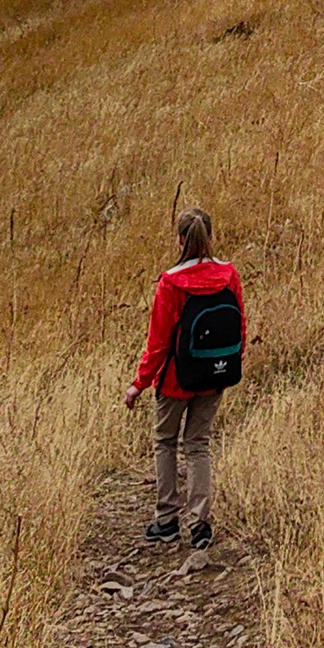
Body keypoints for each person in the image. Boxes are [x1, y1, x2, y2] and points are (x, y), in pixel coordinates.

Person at [125, 207, 245, 549]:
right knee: (198, 444)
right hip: (216, 374)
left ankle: (167, 519)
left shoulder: (171, 283)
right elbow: (240, 325)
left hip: (176, 380)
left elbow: (159, 343)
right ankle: (200, 523)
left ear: (180, 240)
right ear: (211, 236)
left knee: (165, 441)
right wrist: (231, 362)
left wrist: (139, 383)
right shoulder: (229, 275)